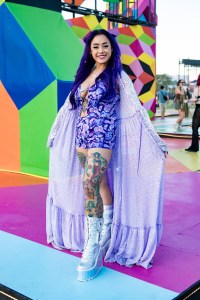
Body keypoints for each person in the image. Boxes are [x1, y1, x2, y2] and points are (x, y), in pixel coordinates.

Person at [46, 29, 168, 282]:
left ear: (112, 49)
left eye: (105, 46)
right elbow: (69, 109)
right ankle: (105, 232)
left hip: (103, 134)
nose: (100, 50)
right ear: (89, 51)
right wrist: (55, 132)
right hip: (82, 136)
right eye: (95, 47)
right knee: (99, 183)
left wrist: (155, 139)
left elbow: (136, 108)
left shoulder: (117, 75)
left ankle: (92, 244)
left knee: (88, 183)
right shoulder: (84, 75)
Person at [185, 74, 200, 152]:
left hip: (199, 108)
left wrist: (188, 100)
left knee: (194, 128)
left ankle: (194, 147)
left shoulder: (198, 86)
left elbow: (195, 98)